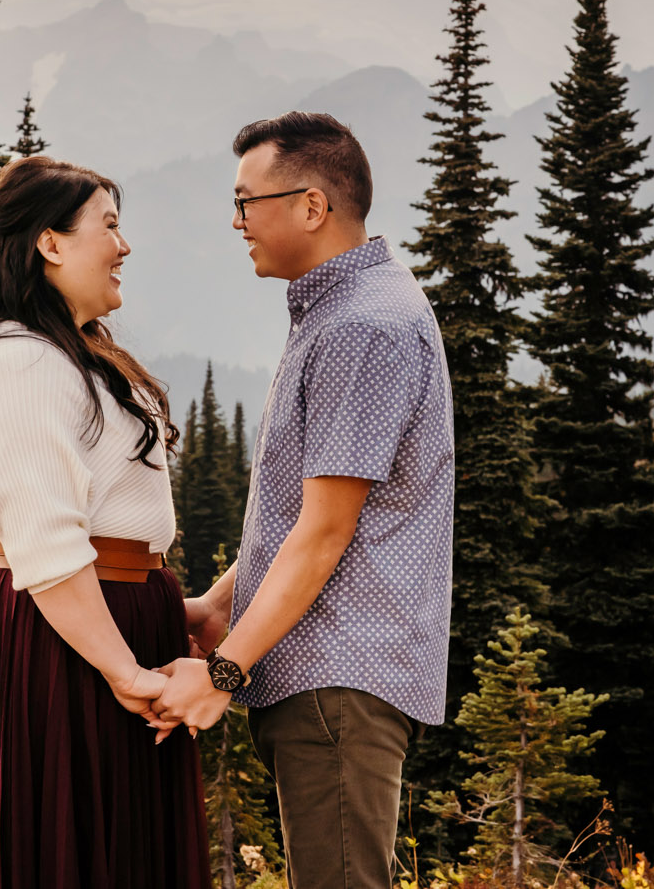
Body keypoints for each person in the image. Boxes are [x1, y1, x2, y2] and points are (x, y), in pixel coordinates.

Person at [152, 112, 455, 889]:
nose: (237, 220)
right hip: (329, 678)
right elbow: (310, 510)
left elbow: (325, 534)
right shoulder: (345, 311)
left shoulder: (362, 327)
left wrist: (221, 673)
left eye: (248, 201)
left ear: (312, 207)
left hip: (336, 679)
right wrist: (226, 602)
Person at [0, 156, 209, 889]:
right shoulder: (20, 363)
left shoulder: (67, 356)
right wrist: (125, 669)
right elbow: (44, 540)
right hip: (58, 636)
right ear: (50, 244)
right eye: (109, 226)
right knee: (60, 848)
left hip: (95, 621)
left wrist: (169, 609)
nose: (124, 246)